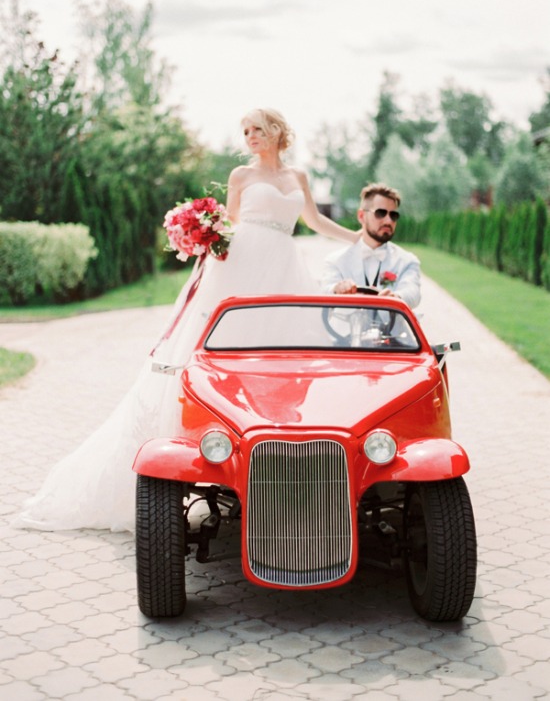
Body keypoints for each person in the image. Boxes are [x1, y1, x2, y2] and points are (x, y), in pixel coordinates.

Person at [14, 108, 359, 533]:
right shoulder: (240, 176)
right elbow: (231, 225)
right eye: (244, 131)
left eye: (256, 129)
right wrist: (204, 232)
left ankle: (280, 457)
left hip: (284, 263)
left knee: (285, 355)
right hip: (243, 263)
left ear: (275, 132)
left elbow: (314, 220)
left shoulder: (298, 177)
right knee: (224, 347)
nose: (249, 136)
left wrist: (358, 237)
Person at [321, 183, 421, 308]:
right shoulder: (335, 260)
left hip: (393, 327)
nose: (389, 221)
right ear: (362, 216)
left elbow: (413, 292)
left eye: (393, 215)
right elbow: (325, 289)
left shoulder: (407, 261)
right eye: (381, 213)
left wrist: (396, 297)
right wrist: (336, 288)